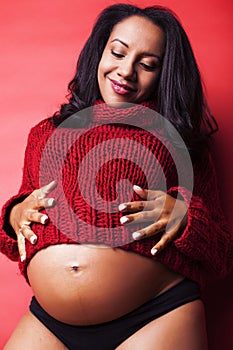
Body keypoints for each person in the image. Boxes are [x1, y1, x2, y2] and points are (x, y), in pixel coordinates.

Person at [0, 3, 232, 350]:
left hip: (156, 317)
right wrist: (14, 215)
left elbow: (222, 256)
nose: (126, 71)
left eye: (147, 64)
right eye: (118, 52)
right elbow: (16, 232)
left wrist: (186, 219)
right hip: (49, 324)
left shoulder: (181, 141)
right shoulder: (45, 134)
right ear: (100, 52)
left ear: (164, 73)